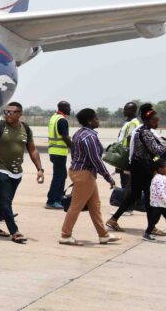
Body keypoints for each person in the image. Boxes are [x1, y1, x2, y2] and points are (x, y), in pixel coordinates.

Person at [0, 101, 45, 244]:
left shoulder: (26, 129)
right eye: (6, 111)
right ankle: (15, 232)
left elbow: (32, 149)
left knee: (4, 202)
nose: (8, 114)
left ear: (20, 114)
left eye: (12, 112)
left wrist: (40, 169)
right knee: (5, 202)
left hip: (16, 172)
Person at [59, 108, 120, 246]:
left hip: (82, 172)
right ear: (89, 121)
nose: (98, 120)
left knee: (95, 205)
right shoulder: (90, 137)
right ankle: (65, 235)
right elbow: (95, 159)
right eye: (96, 118)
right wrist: (108, 177)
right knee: (76, 206)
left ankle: (103, 235)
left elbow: (75, 153)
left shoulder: (78, 134)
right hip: (85, 174)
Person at [107, 104, 165, 235]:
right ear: (147, 120)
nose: (157, 123)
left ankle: (114, 219)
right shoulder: (145, 132)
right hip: (142, 169)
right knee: (149, 198)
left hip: (140, 167)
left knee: (135, 195)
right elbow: (156, 150)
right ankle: (152, 227)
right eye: (154, 120)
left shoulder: (143, 131)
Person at [46, 100, 73, 209]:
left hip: (53, 151)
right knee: (59, 176)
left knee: (61, 175)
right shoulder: (62, 120)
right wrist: (74, 148)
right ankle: (52, 201)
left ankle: (58, 198)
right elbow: (65, 137)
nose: (70, 109)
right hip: (59, 152)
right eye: (68, 107)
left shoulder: (53, 118)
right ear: (64, 108)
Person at [116, 101, 141, 204]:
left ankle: (128, 207)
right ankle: (124, 205)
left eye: (127, 109)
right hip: (122, 154)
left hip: (127, 155)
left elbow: (131, 141)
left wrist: (128, 158)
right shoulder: (126, 122)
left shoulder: (134, 123)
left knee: (127, 182)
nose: (124, 110)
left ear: (134, 110)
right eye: (124, 108)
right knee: (123, 180)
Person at [145, 162, 166, 242]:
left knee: (154, 220)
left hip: (159, 203)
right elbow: (161, 193)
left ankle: (147, 234)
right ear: (160, 169)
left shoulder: (160, 177)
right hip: (159, 204)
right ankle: (146, 234)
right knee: (154, 220)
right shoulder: (159, 178)